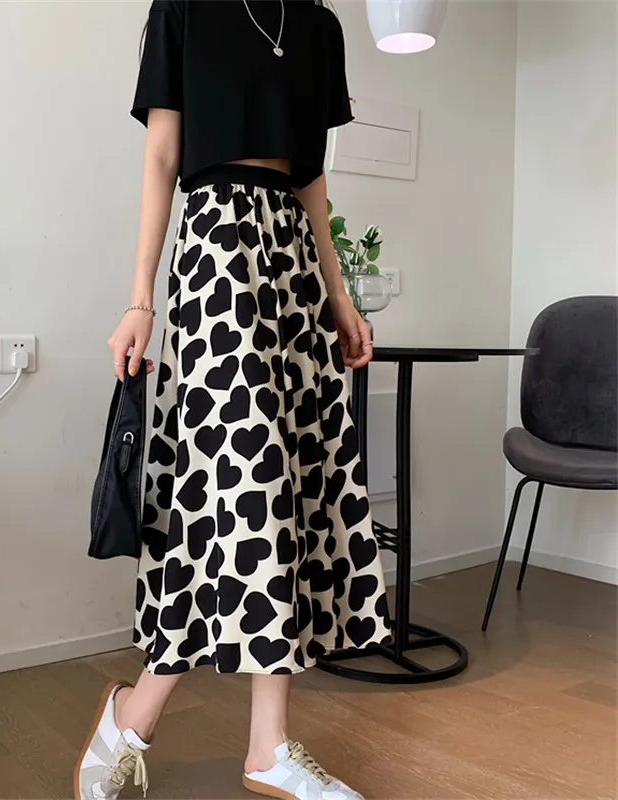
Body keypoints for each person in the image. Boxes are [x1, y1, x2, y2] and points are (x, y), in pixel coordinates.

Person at [76, 1, 391, 798]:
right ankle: (145, 714)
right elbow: (162, 156)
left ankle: (255, 743)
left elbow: (310, 179)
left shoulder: (318, 29)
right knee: (239, 487)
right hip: (217, 251)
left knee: (289, 486)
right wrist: (140, 300)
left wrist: (339, 294)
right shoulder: (184, 9)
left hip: (292, 261)